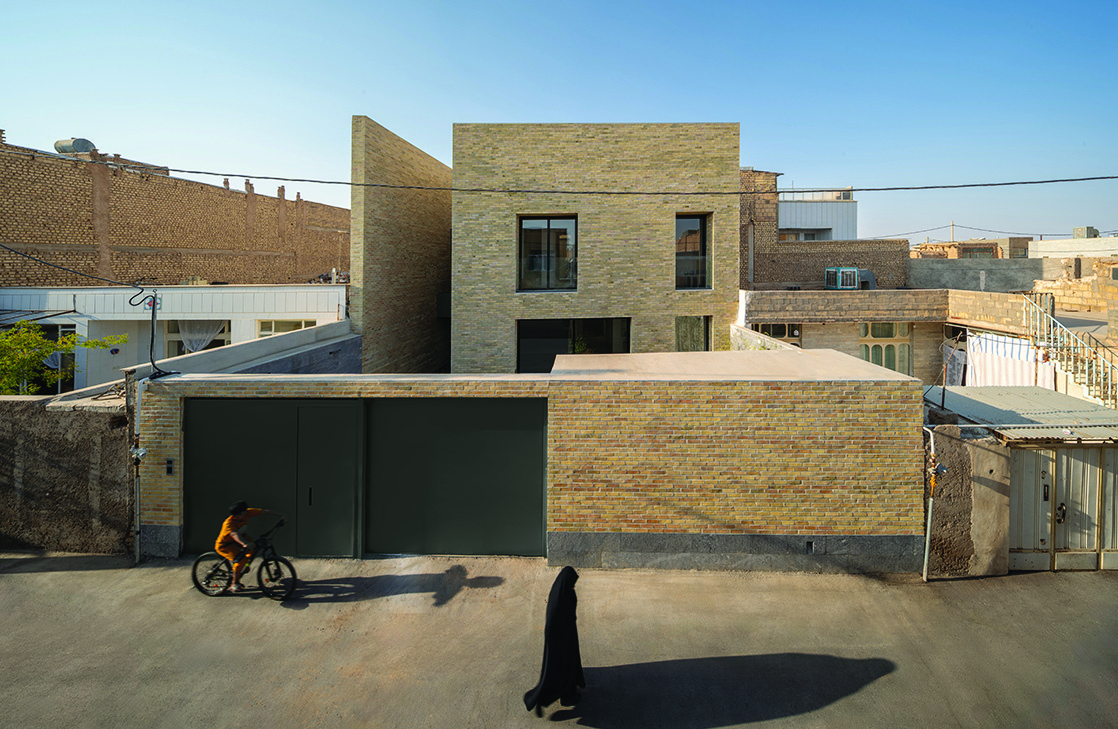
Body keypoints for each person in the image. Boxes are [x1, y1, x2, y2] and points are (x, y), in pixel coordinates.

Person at [524, 566, 586, 716]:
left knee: (566, 667)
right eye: (573, 583)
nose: (574, 586)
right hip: (560, 640)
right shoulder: (558, 599)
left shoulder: (564, 591)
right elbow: (553, 622)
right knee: (563, 668)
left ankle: (566, 695)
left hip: (567, 635)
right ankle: (564, 698)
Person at [215, 501, 283, 592]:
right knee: (241, 560)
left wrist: (281, 515)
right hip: (225, 545)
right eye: (243, 514)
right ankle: (234, 583)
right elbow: (234, 534)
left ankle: (245, 566)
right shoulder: (229, 523)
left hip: (241, 537)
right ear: (236, 516)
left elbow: (264, 511)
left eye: (246, 512)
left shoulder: (247, 513)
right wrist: (244, 543)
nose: (246, 514)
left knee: (254, 548)